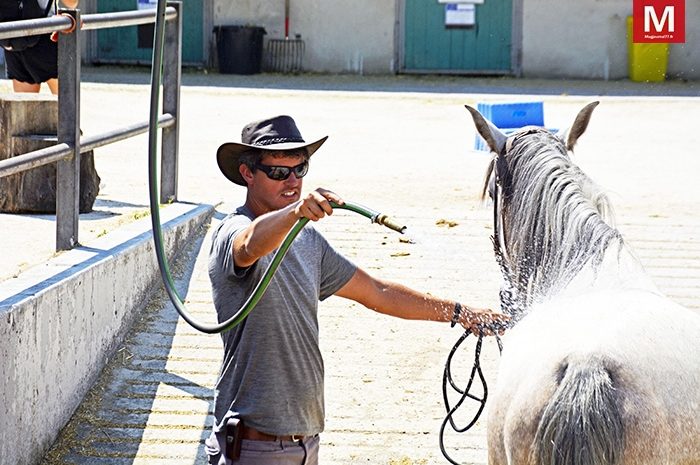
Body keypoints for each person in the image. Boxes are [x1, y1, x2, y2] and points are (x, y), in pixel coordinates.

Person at [205, 115, 510, 465]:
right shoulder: (232, 231)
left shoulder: (306, 240)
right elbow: (248, 245)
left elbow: (377, 291)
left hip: (305, 441)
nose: (291, 182)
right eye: (278, 172)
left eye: (299, 169)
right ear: (248, 173)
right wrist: (293, 214)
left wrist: (460, 313)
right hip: (254, 445)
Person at [2, 0, 80, 95]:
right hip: (45, 36)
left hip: (13, 37)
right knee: (66, 101)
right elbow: (71, 3)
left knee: (26, 106)